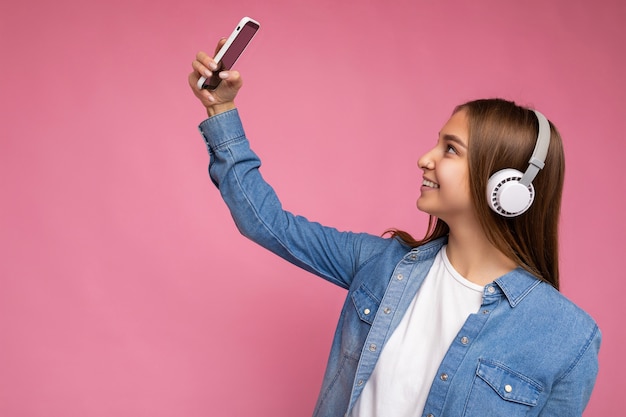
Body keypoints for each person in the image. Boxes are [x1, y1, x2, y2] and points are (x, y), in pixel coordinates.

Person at [188, 45, 601, 417]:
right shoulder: (382, 264)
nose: (425, 158)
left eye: (451, 149)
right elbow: (268, 223)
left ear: (506, 187)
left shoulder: (568, 338)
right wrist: (221, 111)